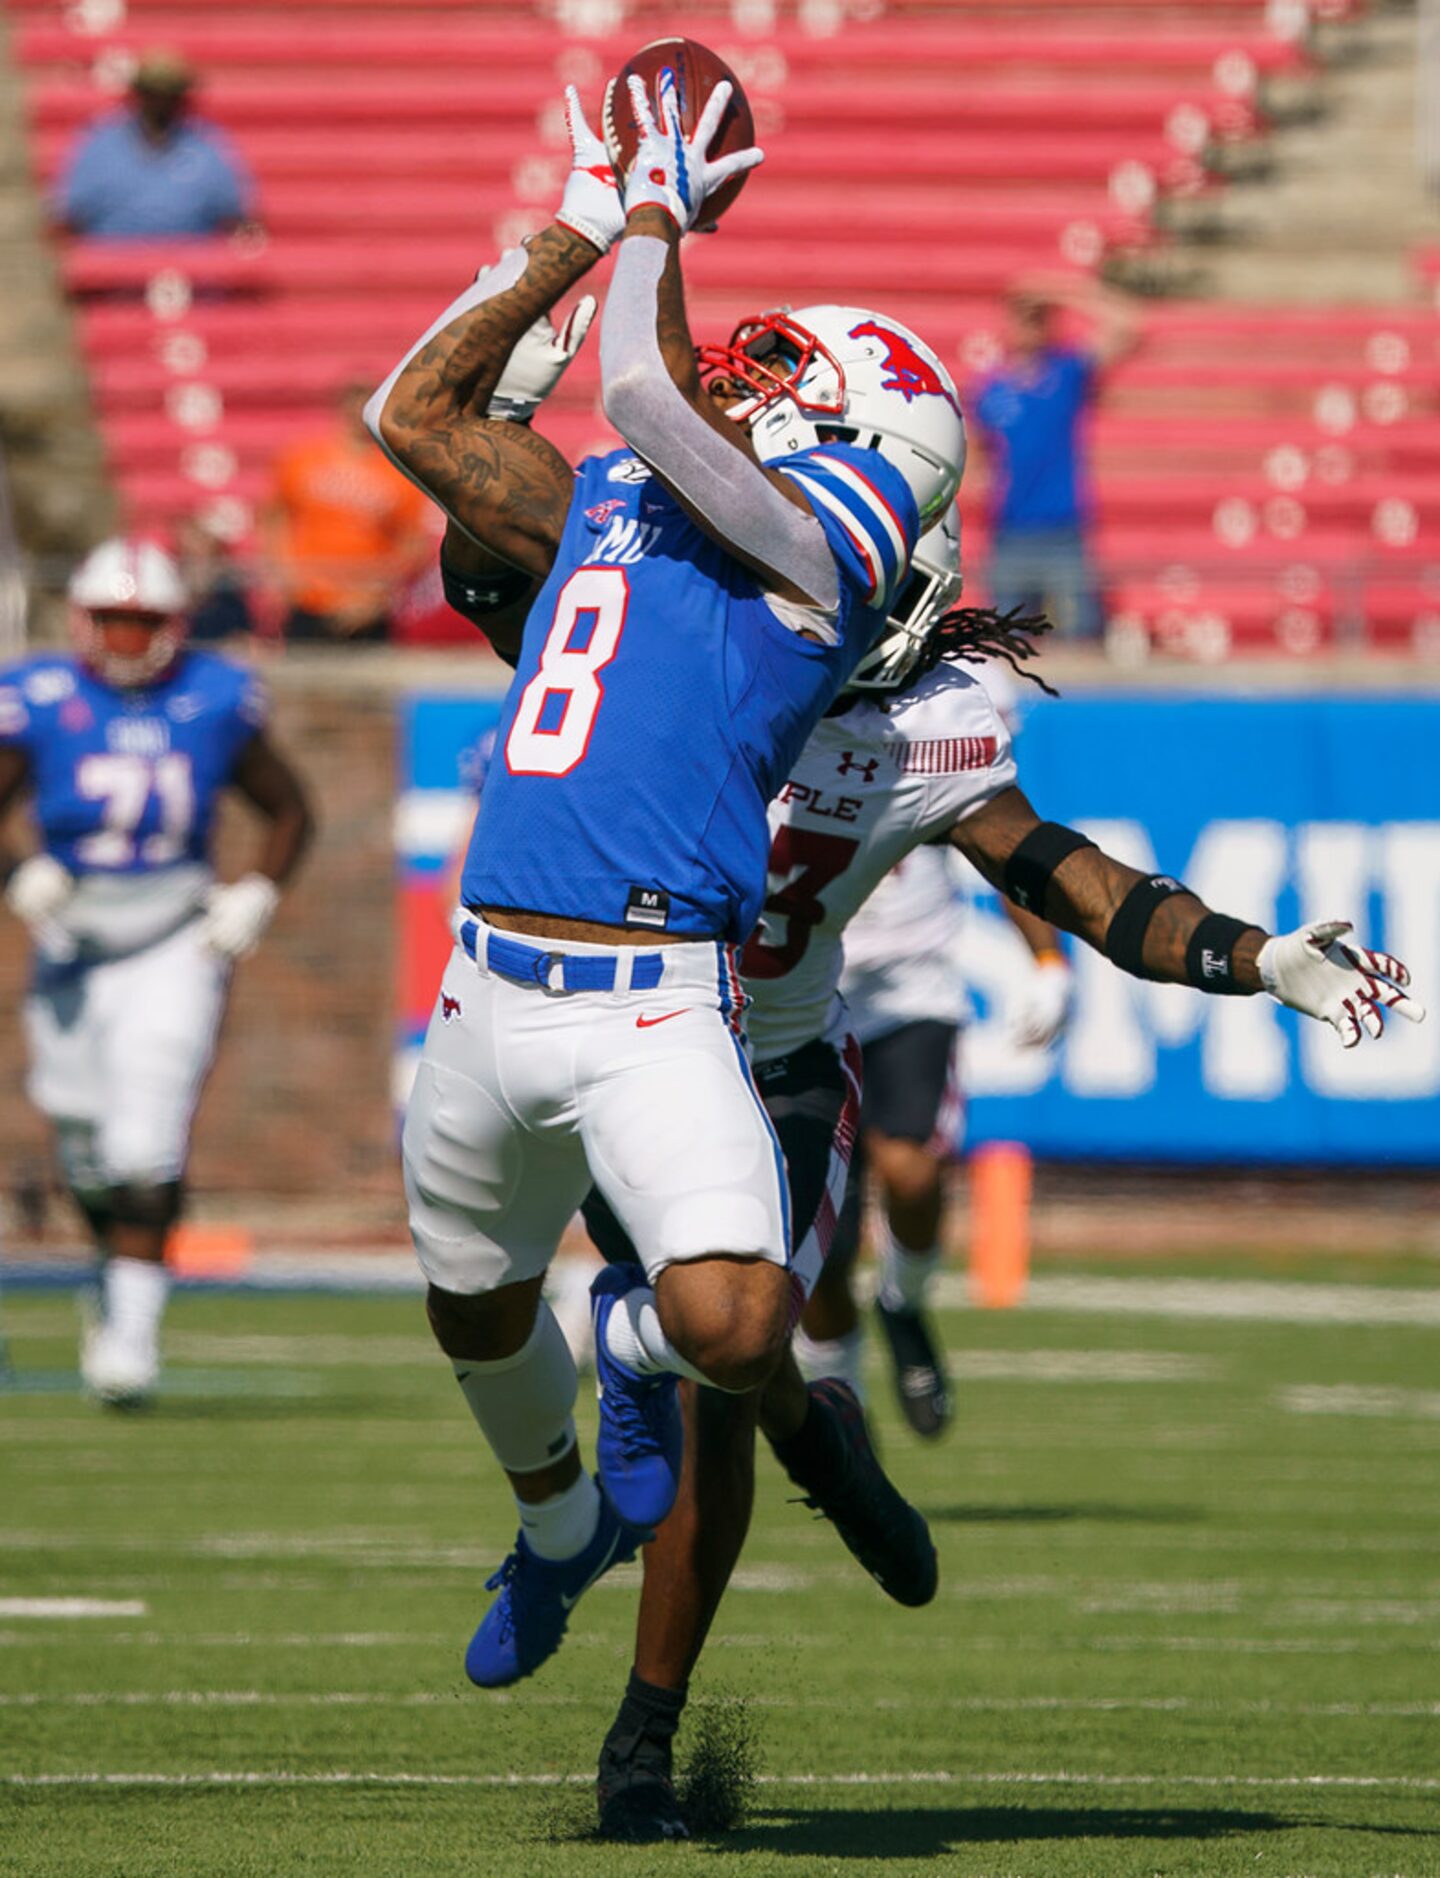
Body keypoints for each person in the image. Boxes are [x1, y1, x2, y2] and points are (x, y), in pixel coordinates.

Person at [575, 494, 1424, 1842]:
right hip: (603, 1028)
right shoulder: (680, 625)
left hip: (768, 1062)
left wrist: (1255, 957)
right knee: (682, 1343)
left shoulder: (940, 725)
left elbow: (1077, 882)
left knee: (717, 1382)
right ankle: (828, 1438)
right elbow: (491, 550)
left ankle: (642, 1738)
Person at [366, 71, 966, 1695]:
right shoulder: (636, 507)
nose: (750, 376)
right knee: (475, 1317)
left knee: (738, 1324)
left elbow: (643, 381)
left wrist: (650, 207)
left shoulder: (810, 556)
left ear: (865, 444)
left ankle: (628, 1355)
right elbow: (411, 421)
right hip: (486, 985)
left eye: (791, 376)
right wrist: (576, 211)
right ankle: (556, 1524)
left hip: (652, 998)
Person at [0, 537, 313, 1405]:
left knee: (145, 1146)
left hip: (174, 933)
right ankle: (112, 1272)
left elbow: (289, 808)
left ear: (174, 623)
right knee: (84, 1143)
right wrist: (18, 868)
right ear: (83, 621)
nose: (130, 639)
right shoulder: (39, 696)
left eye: (144, 622)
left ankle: (131, 1336)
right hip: (73, 933)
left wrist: (257, 890)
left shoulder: (215, 696)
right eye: (115, 622)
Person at [803, 650, 1072, 1437]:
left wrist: (1048, 956)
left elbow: (1001, 833)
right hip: (803, 990)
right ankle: (840, 1404)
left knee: (912, 1170)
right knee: (812, 1244)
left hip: (911, 982)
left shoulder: (956, 687)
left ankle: (904, 1298)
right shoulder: (783, 655)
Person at [971, 274, 1138, 641]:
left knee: (1080, 635)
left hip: (1064, 528)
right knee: (1006, 639)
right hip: (1010, 532)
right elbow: (980, 459)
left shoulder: (1066, 372)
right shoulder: (990, 389)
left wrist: (1062, 293)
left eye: (1039, 317)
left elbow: (1127, 325)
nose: (1030, 327)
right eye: (1024, 317)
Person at [262, 381, 433, 645]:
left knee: (370, 685)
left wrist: (378, 598)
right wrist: (287, 574)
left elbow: (413, 543)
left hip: (368, 608)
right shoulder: (304, 458)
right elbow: (275, 517)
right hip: (310, 600)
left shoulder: (397, 471)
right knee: (303, 683)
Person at [54, 48, 255, 242]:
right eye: (153, 94)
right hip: (113, 268)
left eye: (170, 94)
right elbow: (68, 219)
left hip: (190, 271)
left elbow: (239, 219)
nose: (161, 103)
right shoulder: (99, 146)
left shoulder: (209, 146)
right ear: (138, 95)